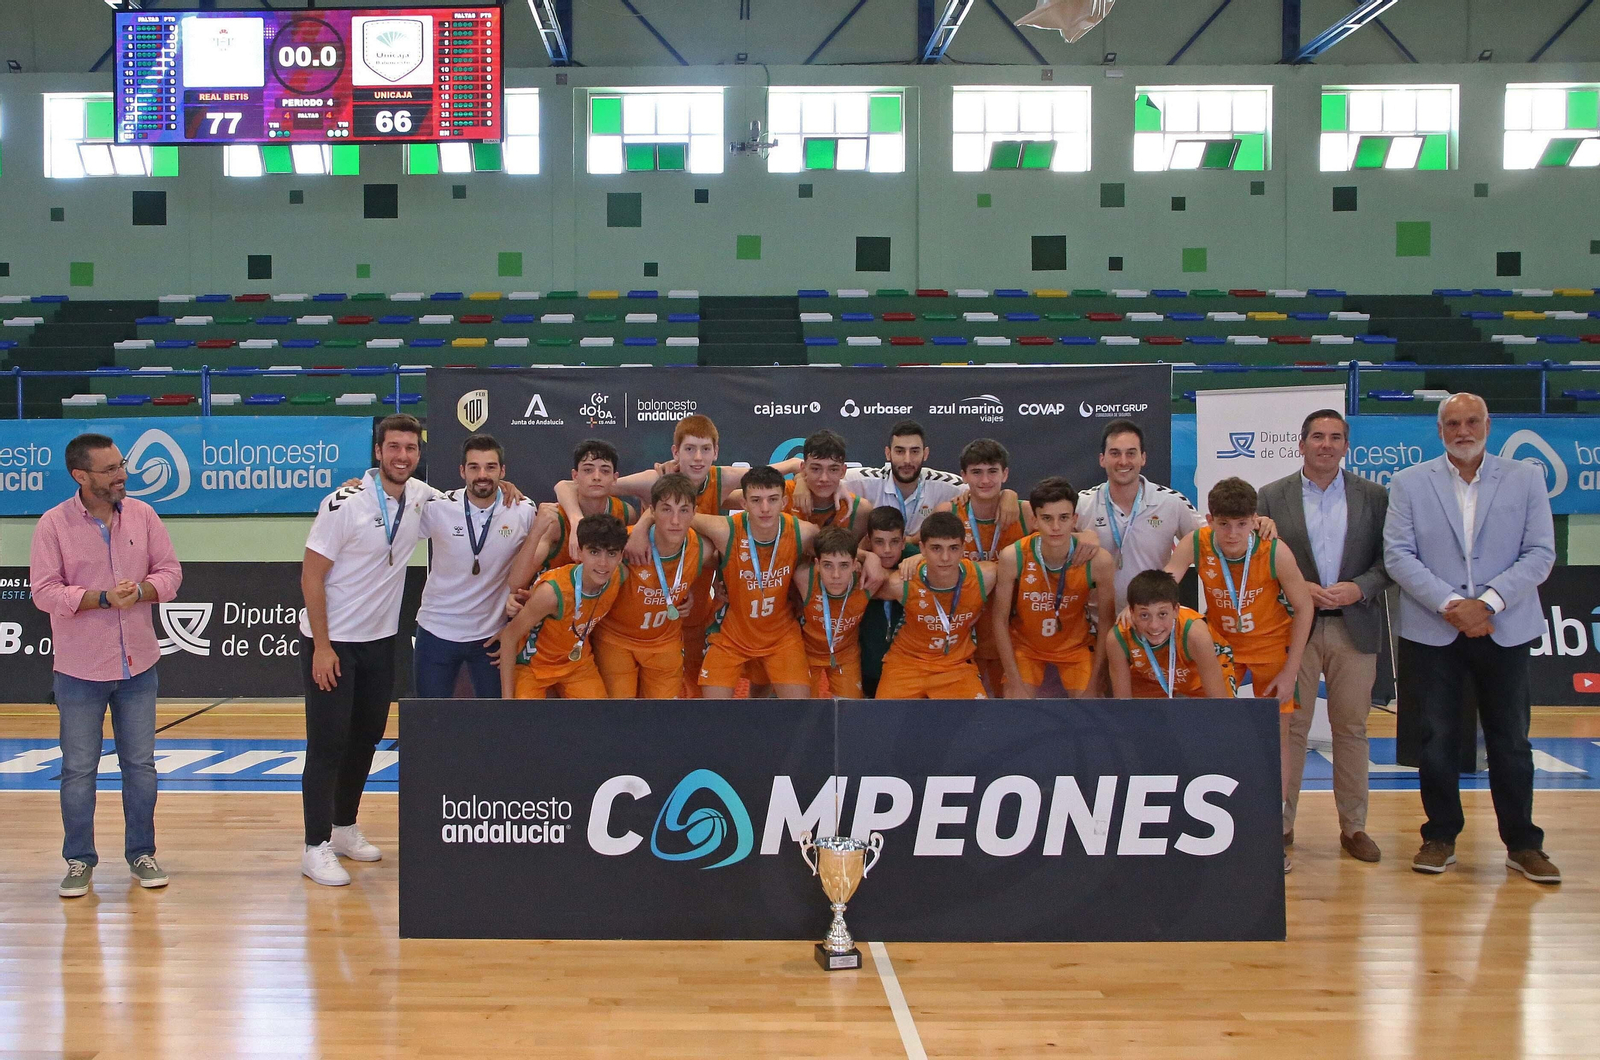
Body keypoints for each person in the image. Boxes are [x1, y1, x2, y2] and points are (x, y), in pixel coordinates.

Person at [1384, 393, 1559, 883]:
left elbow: (1540, 553)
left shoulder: (1526, 478)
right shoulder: (1409, 482)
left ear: (1488, 425)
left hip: (1505, 628)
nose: (1463, 431)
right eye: (1453, 423)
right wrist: (1451, 605)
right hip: (1433, 630)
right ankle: (1439, 837)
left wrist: (1488, 604)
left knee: (1511, 740)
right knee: (1436, 739)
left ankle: (1523, 844)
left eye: (1472, 422)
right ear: (1440, 430)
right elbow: (1398, 555)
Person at [30, 433, 183, 898]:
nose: (122, 475)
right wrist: (100, 599)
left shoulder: (144, 515)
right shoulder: (53, 525)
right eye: (111, 469)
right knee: (78, 770)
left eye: (122, 465)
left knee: (141, 767)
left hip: (139, 666)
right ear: (80, 475)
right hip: (79, 670)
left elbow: (170, 573)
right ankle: (79, 859)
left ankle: (142, 853)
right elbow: (44, 592)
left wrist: (141, 592)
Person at [299, 413, 436, 887]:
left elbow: (470, 506)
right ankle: (314, 846)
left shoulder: (421, 497)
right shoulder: (343, 502)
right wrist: (322, 647)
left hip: (380, 643)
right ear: (378, 452)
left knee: (365, 739)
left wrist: (510, 489)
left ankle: (343, 827)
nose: (402, 456)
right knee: (327, 745)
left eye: (410, 448)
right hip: (333, 644)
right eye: (393, 447)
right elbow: (311, 576)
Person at [1257, 409, 1391, 864]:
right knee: (1290, 728)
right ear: (1301, 444)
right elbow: (1258, 560)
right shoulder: (1271, 495)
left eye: (1335, 437)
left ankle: (1354, 827)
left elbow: (1391, 560)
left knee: (1351, 728)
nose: (1326, 445)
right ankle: (1280, 824)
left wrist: (1360, 587)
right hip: (1295, 628)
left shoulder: (1374, 496)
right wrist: (1298, 588)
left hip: (1355, 625)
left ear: (1346, 446)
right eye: (1317, 436)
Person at [412, 434, 536, 699]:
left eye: (490, 467)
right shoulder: (438, 508)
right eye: (474, 467)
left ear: (502, 471)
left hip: (491, 636)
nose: (482, 475)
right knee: (430, 717)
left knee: (494, 718)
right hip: (436, 631)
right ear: (462, 471)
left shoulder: (523, 510)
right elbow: (393, 514)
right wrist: (360, 488)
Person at [690, 466, 822, 699]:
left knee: (799, 710)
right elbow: (676, 516)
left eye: (772, 499)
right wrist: (642, 526)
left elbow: (838, 551)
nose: (765, 508)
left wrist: (867, 557)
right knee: (713, 712)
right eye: (756, 500)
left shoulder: (803, 532)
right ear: (743, 503)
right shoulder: (726, 530)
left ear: (784, 502)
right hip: (731, 635)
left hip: (781, 635)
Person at [991, 477, 1115, 699]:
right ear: (1034, 520)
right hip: (1026, 647)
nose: (1056, 527)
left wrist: (1096, 679)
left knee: (1091, 708)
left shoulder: (1098, 561)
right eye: (1047, 518)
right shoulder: (1013, 556)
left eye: (1063, 518)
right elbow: (999, 620)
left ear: (1074, 520)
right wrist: (1014, 680)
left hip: (1076, 648)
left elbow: (1107, 621)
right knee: (1015, 704)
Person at [594, 475, 710, 699]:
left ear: (694, 513)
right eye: (666, 510)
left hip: (664, 642)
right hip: (616, 639)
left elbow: (731, 565)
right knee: (618, 711)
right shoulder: (625, 544)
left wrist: (690, 593)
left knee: (663, 715)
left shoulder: (701, 548)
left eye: (684, 510)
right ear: (652, 511)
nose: (675, 520)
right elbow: (585, 578)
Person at [1075, 419, 1206, 611]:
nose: (1123, 461)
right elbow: (1045, 538)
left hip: (1151, 621)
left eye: (1131, 453)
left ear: (1143, 458)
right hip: (1095, 621)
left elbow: (1210, 541)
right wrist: (1075, 537)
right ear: (1102, 459)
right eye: (1115, 453)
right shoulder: (1082, 504)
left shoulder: (1171, 502)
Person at [500, 514, 629, 699]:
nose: (603, 563)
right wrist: (507, 700)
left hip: (577, 663)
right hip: (534, 666)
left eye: (611, 553)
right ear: (580, 552)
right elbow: (509, 636)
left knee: (599, 713)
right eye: (594, 552)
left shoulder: (619, 576)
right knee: (525, 715)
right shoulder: (552, 593)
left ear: (621, 556)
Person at [937, 439, 1030, 693]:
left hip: (1013, 637)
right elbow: (919, 545)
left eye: (992, 471)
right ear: (964, 476)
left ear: (1005, 474)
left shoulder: (1025, 513)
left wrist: (1088, 537)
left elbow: (1066, 539)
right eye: (976, 472)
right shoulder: (949, 512)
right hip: (962, 639)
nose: (985, 480)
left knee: (1013, 709)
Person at [873, 511, 997, 700]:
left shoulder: (984, 577)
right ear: (922, 548)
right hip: (906, 664)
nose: (945, 557)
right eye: (936, 548)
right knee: (884, 718)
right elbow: (859, 584)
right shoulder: (902, 583)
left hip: (956, 667)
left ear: (963, 549)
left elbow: (1015, 568)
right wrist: (866, 556)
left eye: (953, 548)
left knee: (980, 719)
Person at [1106, 570, 1236, 700]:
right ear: (1131, 612)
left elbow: (1219, 703)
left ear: (1175, 610)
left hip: (1198, 680)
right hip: (1151, 679)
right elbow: (1123, 704)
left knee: (1220, 710)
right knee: (1136, 711)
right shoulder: (1118, 638)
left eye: (1162, 614)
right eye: (1144, 615)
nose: (1154, 625)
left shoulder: (1195, 635)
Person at [839, 420, 968, 537]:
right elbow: (832, 479)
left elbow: (976, 485)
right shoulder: (866, 480)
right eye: (900, 451)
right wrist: (838, 486)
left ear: (925, 454)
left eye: (914, 451)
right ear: (888, 453)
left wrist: (970, 493)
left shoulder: (945, 484)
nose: (907, 460)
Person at [794, 527, 873, 698]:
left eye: (844, 565)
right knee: (802, 709)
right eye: (827, 565)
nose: (836, 575)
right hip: (807, 653)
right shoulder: (804, 578)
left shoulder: (869, 582)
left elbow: (898, 577)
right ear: (817, 564)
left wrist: (872, 558)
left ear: (855, 564)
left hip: (845, 655)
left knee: (850, 710)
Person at [748, 429, 872, 536]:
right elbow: (737, 493)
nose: (824, 478)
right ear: (802, 468)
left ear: (843, 471)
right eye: (815, 469)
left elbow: (853, 552)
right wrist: (795, 472)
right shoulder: (779, 494)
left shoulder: (859, 510)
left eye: (833, 470)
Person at [857, 506, 918, 699]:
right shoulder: (854, 562)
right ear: (868, 541)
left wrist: (921, 558)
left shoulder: (916, 560)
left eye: (894, 542)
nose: (887, 550)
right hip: (867, 664)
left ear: (903, 542)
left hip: (908, 667)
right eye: (879, 542)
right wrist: (864, 556)